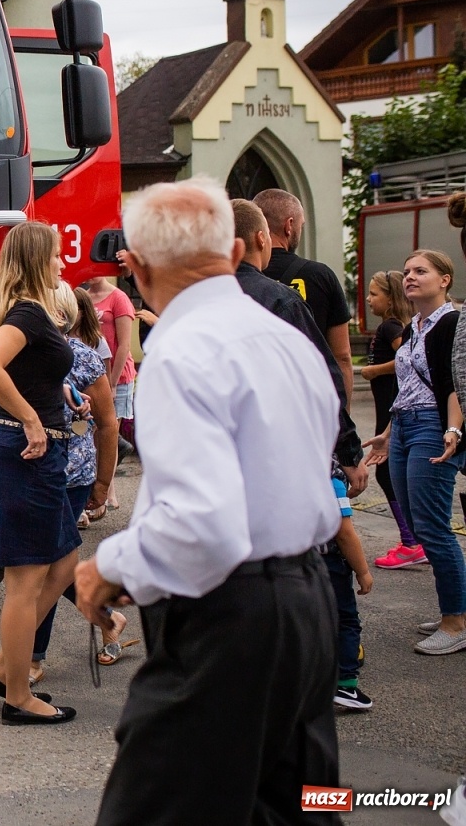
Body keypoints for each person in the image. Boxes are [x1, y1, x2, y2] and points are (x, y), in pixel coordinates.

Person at [76, 177, 343, 823]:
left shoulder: (183, 349)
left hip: (232, 618)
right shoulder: (288, 340)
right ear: (233, 251)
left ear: (135, 268)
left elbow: (203, 526)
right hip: (308, 601)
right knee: (302, 803)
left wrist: (111, 567)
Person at [0, 222, 78, 725]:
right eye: (56, 256)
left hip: (40, 455)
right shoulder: (28, 315)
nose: (62, 263)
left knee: (64, 562)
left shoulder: (37, 315)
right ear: (38, 260)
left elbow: (27, 373)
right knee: (25, 580)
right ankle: (17, 696)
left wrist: (56, 398)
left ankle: (2, 669)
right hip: (24, 454)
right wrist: (33, 419)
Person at [359, 249, 466, 656]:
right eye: (406, 271)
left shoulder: (453, 323)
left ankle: (456, 622)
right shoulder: (415, 325)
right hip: (404, 425)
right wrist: (387, 432)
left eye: (421, 271)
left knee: (435, 528)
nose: (410, 277)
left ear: (444, 280)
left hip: (432, 426)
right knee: (422, 527)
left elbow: (454, 382)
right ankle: (453, 610)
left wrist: (453, 428)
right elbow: (408, 386)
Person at [231, 200, 365, 483]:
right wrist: (347, 449)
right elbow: (324, 373)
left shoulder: (191, 298)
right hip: (277, 444)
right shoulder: (281, 300)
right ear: (260, 237)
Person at [30, 284, 123, 681]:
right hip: (28, 470)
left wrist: (103, 484)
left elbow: (107, 423)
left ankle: (32, 658)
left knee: (45, 564)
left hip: (72, 477)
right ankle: (108, 617)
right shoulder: (18, 352)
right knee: (48, 563)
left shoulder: (83, 358)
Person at [254, 188, 355, 399]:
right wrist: (342, 416)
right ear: (289, 225)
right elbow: (342, 356)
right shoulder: (320, 276)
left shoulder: (235, 278)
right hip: (307, 397)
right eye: (300, 225)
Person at [361, 269, 421, 569]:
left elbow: (407, 359)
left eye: (374, 294)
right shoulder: (389, 326)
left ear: (390, 297)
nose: (369, 299)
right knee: (389, 473)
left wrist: (374, 371)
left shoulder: (392, 328)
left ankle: (412, 540)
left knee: (387, 473)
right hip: (386, 407)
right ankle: (412, 538)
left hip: (392, 408)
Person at [326, 474, 375, 712]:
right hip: (329, 564)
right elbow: (344, 533)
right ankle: (346, 685)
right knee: (346, 621)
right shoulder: (332, 481)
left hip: (292, 564)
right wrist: (363, 571)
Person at [82, 272, 137, 481]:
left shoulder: (118, 297)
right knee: (93, 431)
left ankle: (108, 487)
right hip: (92, 375)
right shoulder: (84, 297)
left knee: (109, 434)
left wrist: (112, 382)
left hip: (117, 374)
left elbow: (124, 345)